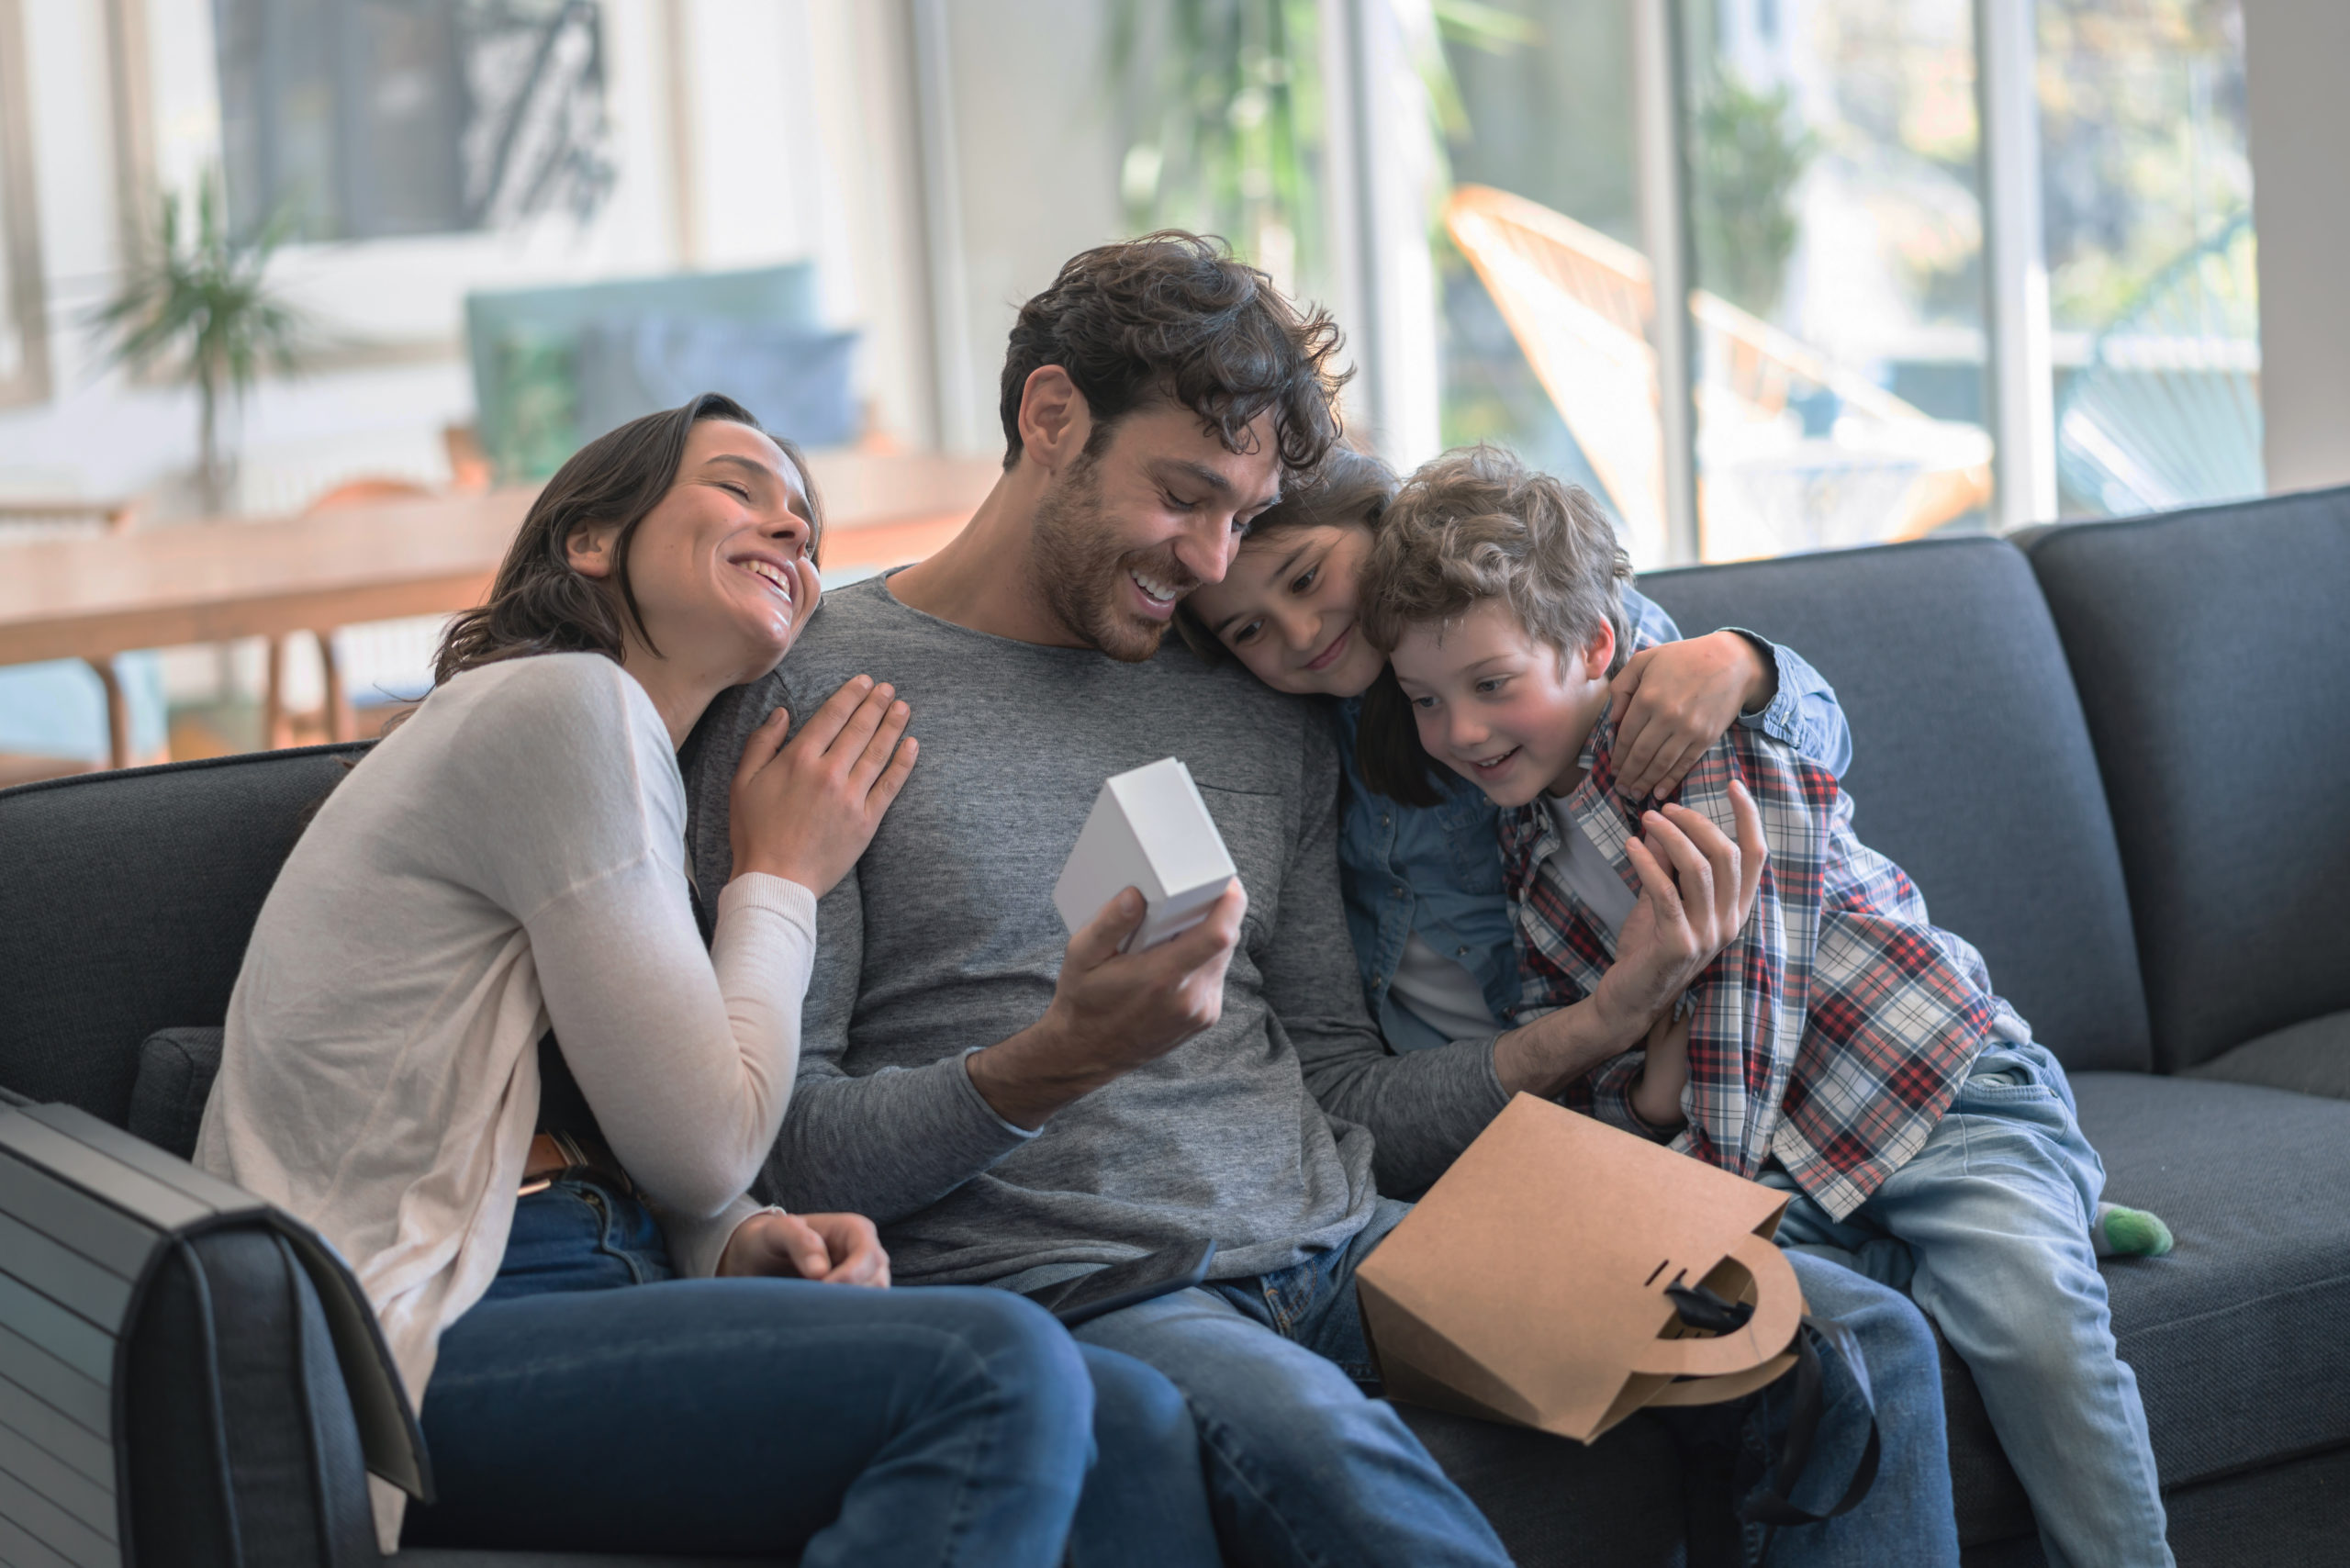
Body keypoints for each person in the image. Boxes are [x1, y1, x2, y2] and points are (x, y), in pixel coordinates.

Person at [683, 234, 1964, 1566]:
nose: (1210, 561)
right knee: (1361, 1491)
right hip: (1091, 1287)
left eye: (1244, 518)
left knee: (1852, 1339)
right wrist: (1053, 1064)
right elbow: (784, 1143)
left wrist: (1610, 1009)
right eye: (1184, 497)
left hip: (1357, 1242)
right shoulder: (811, 690)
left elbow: (1344, 1086)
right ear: (1051, 417)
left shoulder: (1253, 708)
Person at [195, 395, 1222, 1568]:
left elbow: (627, 1126)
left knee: (1133, 1419)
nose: (791, 530)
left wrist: (739, 1242)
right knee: (999, 1366)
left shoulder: (634, 775)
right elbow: (710, 1142)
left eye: (807, 523)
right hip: (401, 1339)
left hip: (592, 1275)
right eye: (740, 488)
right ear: (592, 541)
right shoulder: (559, 704)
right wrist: (779, 880)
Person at [1360, 444, 2175, 1568]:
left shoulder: (1705, 737)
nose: (1457, 732)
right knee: (1767, 1306)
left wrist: (1687, 1193)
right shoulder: (1516, 840)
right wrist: (1641, 1110)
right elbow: (1588, 1030)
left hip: (1933, 1093)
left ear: (1594, 645)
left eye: (1491, 685)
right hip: (1791, 1147)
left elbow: (1753, 985)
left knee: (2034, 1326)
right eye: (1422, 700)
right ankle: (2051, 1219)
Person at [1178, 443, 1855, 1058]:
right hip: (1493, 1070)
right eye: (1249, 630)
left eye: (1305, 580)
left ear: (1373, 523)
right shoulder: (1284, 733)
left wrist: (1746, 665)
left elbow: (1802, 773)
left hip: (1630, 1046)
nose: (1298, 634)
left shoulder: (1522, 613)